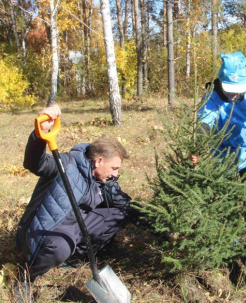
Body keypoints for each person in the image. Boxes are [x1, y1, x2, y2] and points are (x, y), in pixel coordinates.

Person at [14, 104, 148, 299]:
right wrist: (39, 135)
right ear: (99, 161)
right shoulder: (66, 165)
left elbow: (128, 206)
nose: (116, 174)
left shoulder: (105, 181)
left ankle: (75, 257)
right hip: (43, 231)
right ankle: (27, 275)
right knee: (60, 247)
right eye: (114, 168)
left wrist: (165, 230)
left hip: (75, 227)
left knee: (120, 212)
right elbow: (36, 163)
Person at [196, 51, 246, 243]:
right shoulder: (213, 96)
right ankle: (230, 232)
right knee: (226, 193)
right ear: (221, 80)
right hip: (223, 153)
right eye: (229, 88)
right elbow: (204, 122)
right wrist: (198, 147)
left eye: (237, 88)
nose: (234, 93)